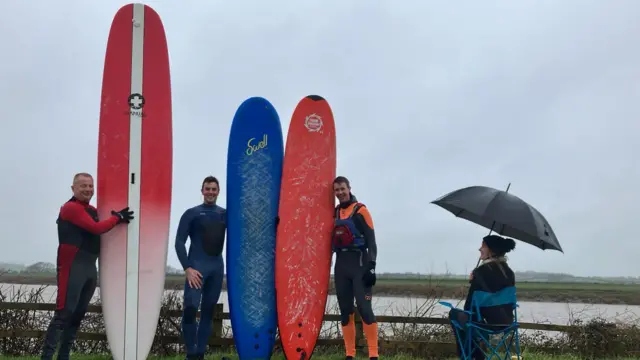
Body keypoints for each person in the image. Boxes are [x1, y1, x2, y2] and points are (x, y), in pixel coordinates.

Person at [40, 173, 133, 360]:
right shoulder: (70, 208)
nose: (88, 189)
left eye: (91, 186)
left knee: (77, 316)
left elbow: (103, 227)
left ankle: (63, 356)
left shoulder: (92, 210)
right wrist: (118, 218)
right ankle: (46, 357)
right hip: (72, 267)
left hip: (90, 268)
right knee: (64, 314)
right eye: (83, 186)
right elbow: (96, 228)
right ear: (73, 188)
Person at [175, 176, 227, 360]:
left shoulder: (224, 214)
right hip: (196, 269)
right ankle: (191, 354)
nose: (211, 192)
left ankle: (200, 354)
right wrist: (187, 268)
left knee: (208, 311)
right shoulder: (192, 213)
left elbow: (244, 228)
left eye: (214, 189)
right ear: (202, 190)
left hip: (216, 268)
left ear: (218, 191)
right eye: (208, 189)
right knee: (190, 308)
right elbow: (179, 243)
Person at [331, 176, 379, 360]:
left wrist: (372, 267)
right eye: (336, 190)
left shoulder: (361, 210)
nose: (340, 193)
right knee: (345, 311)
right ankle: (349, 354)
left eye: (342, 189)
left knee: (364, 308)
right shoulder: (334, 212)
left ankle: (373, 354)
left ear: (349, 188)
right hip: (341, 265)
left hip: (360, 263)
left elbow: (372, 243)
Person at [448, 234, 517, 360]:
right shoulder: (510, 273)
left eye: (483, 246)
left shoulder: (480, 272)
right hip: (507, 323)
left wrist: (473, 281)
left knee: (455, 314)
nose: (479, 249)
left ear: (492, 250)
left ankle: (470, 356)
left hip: (484, 324)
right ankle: (476, 352)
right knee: (470, 323)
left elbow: (469, 306)